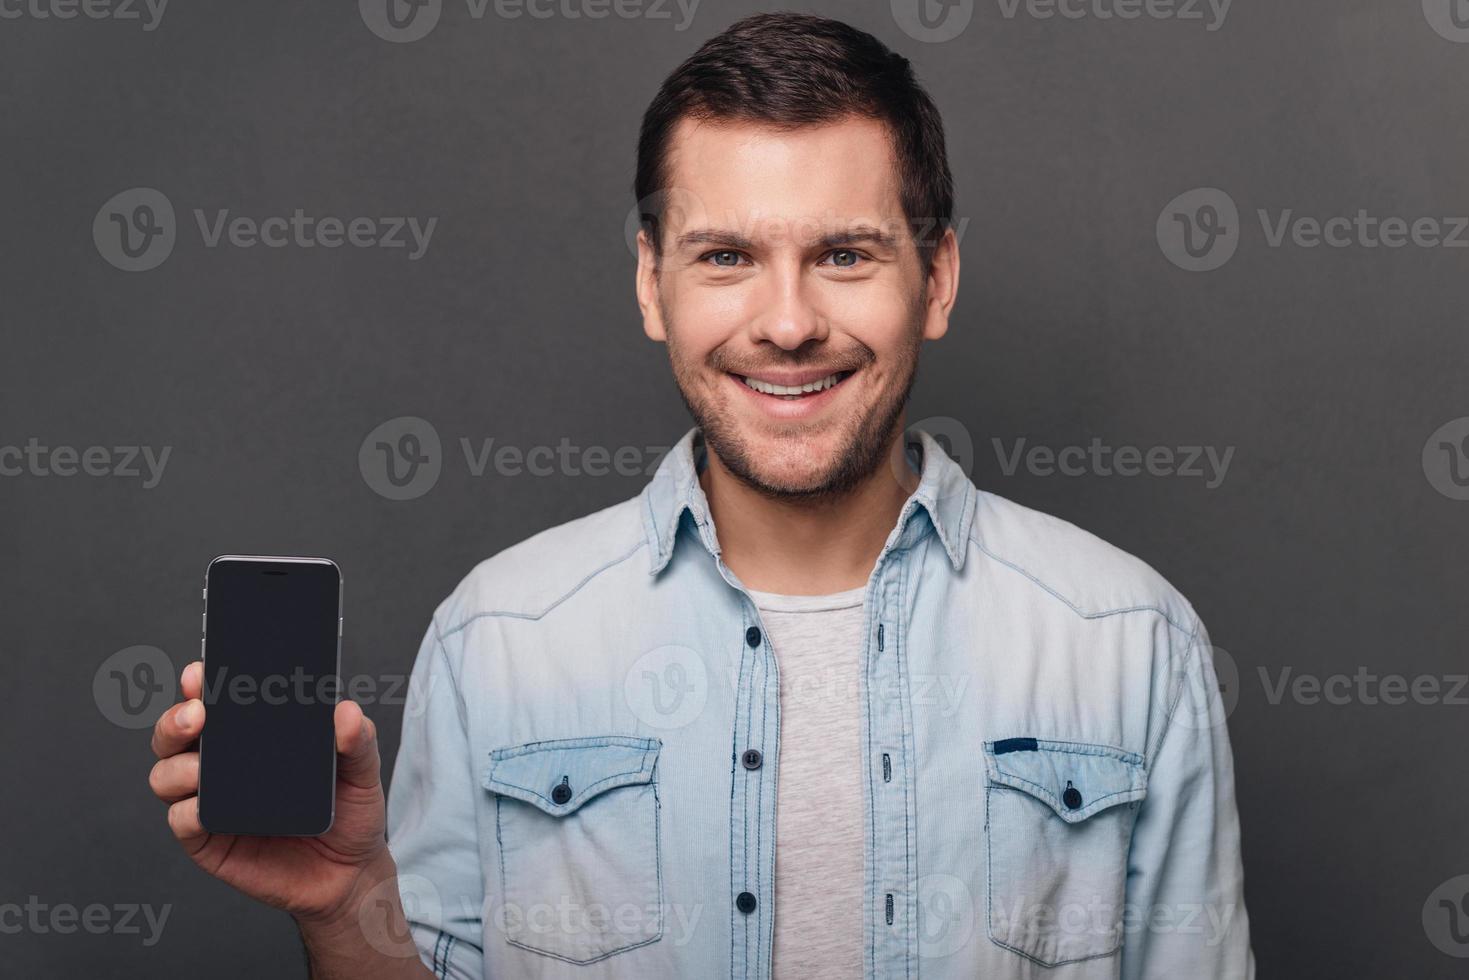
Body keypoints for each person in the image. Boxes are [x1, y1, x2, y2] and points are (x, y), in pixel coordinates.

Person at [148, 12, 1253, 978]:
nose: (783, 321)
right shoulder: (499, 639)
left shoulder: (1127, 642)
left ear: (938, 279)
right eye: (725, 255)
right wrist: (347, 907)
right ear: (650, 282)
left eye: (845, 255)